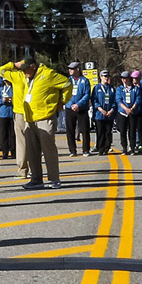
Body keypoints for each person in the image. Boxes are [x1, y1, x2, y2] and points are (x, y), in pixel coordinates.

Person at [23, 59, 69, 189]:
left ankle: (54, 179)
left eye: (26, 69)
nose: (24, 72)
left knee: (48, 150)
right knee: (32, 151)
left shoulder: (48, 74)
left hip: (45, 117)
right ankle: (36, 179)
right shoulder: (28, 77)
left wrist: (62, 101)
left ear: (33, 66)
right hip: (30, 118)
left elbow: (67, 84)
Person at [65, 62, 92, 156]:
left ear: (77, 69)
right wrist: (71, 104)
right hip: (69, 108)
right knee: (70, 130)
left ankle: (86, 150)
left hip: (81, 109)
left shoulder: (84, 81)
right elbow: (65, 95)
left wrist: (78, 104)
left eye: (72, 69)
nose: (70, 71)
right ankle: (72, 150)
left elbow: (87, 94)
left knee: (85, 130)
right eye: (69, 69)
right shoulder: (67, 81)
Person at [114, 71, 139, 155]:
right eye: (123, 78)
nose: (124, 80)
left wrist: (131, 108)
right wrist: (125, 109)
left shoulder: (135, 89)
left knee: (132, 131)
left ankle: (132, 148)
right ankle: (124, 148)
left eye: (126, 78)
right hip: (122, 113)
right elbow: (118, 100)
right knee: (123, 131)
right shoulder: (120, 89)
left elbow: (138, 99)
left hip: (132, 112)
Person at [92, 68, 116, 155]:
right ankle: (100, 148)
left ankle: (107, 148)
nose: (106, 78)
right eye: (104, 76)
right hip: (99, 114)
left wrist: (111, 110)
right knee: (100, 131)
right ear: (100, 77)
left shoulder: (112, 88)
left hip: (109, 114)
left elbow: (114, 101)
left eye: (107, 76)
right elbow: (94, 100)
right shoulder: (97, 88)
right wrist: (100, 109)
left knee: (108, 132)